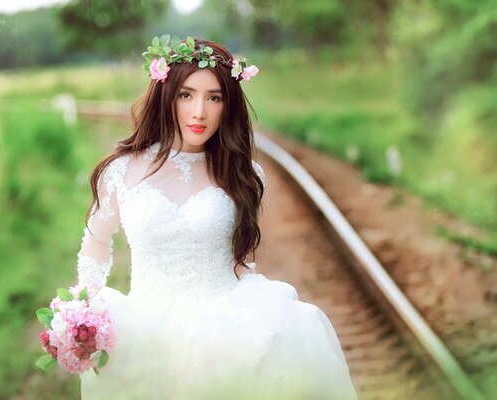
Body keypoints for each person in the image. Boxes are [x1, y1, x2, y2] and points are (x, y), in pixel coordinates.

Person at [76, 36, 358, 399]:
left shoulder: (242, 173)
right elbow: (96, 243)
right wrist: (86, 310)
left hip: (225, 330)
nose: (199, 113)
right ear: (167, 96)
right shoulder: (121, 170)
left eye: (214, 98)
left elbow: (238, 254)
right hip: (143, 331)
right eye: (186, 95)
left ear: (228, 105)